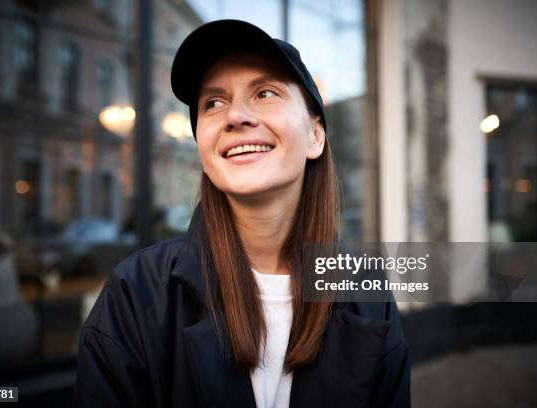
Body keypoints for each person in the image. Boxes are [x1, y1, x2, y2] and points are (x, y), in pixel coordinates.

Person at [74, 19, 410, 408]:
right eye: (213, 103)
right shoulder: (135, 293)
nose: (235, 116)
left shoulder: (367, 291)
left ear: (315, 135)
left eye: (265, 93)